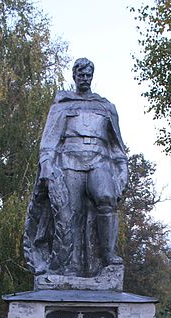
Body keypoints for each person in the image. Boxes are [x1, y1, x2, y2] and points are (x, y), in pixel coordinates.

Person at [24, 58, 128, 278]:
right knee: (71, 213)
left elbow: (117, 144)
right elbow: (50, 139)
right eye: (80, 75)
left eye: (88, 75)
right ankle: (72, 264)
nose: (84, 78)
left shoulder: (106, 107)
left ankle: (109, 255)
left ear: (92, 76)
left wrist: (122, 168)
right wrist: (46, 164)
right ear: (74, 76)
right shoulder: (63, 105)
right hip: (70, 160)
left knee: (107, 199)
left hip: (99, 160)